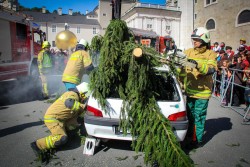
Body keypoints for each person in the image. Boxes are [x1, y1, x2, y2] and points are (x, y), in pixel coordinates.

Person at [30, 82, 90, 161]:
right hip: (53, 119)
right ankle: (38, 145)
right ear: (83, 93)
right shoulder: (73, 95)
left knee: (74, 127)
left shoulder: (72, 95)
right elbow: (69, 103)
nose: (85, 99)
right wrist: (84, 107)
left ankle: (65, 136)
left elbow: (74, 114)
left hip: (61, 119)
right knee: (62, 138)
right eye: (86, 97)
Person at [179, 27, 217, 148]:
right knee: (190, 115)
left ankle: (197, 140)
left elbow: (212, 69)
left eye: (197, 39)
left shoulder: (211, 54)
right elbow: (182, 69)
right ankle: (189, 136)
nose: (194, 41)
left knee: (198, 116)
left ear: (204, 40)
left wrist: (198, 65)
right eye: (193, 39)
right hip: (190, 91)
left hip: (202, 92)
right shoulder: (189, 52)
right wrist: (179, 81)